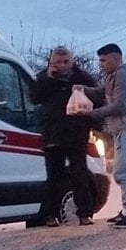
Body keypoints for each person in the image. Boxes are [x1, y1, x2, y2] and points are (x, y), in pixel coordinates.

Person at [76, 43, 126, 229]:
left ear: (115, 59)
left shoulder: (123, 75)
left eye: (103, 60)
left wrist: (91, 114)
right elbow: (102, 92)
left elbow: (120, 106)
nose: (101, 64)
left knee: (121, 172)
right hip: (123, 130)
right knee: (123, 171)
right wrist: (83, 90)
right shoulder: (114, 76)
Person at [30, 47, 100, 226]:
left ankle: (85, 213)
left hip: (76, 133)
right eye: (57, 62)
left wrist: (94, 126)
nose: (62, 66)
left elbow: (98, 100)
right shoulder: (43, 78)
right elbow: (34, 98)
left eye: (65, 62)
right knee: (54, 176)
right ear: (51, 62)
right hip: (53, 134)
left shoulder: (83, 79)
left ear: (72, 61)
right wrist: (49, 78)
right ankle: (50, 215)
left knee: (80, 174)